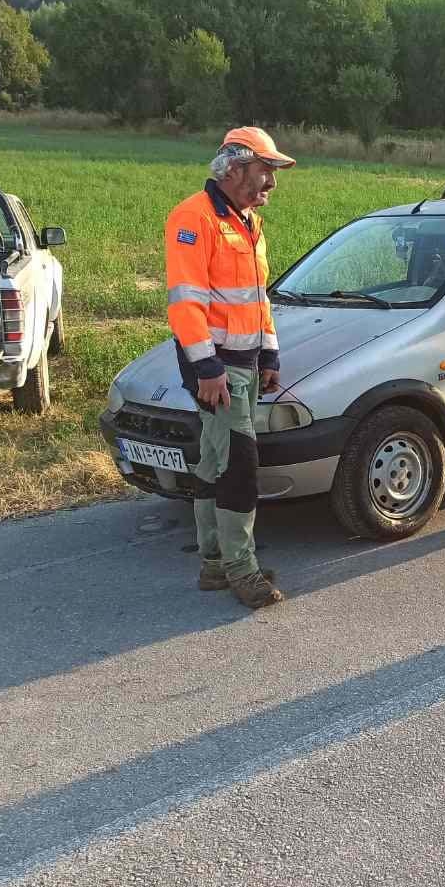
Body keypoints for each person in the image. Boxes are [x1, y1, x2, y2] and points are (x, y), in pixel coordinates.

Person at [165, 126, 293, 608]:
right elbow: (185, 303)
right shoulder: (193, 218)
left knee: (216, 459)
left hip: (242, 363)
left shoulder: (248, 223)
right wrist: (208, 368)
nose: (272, 183)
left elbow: (257, 299)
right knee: (239, 464)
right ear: (235, 168)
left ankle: (215, 564)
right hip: (214, 367)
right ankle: (242, 570)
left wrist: (270, 353)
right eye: (266, 171)